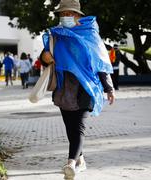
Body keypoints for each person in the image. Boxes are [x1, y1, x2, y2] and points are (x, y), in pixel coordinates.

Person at [40, 0, 115, 179]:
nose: (65, 17)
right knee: (69, 127)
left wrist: (109, 88)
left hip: (86, 87)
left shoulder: (90, 34)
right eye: (62, 14)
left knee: (78, 127)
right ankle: (80, 159)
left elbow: (101, 62)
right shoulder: (56, 35)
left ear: (78, 15)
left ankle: (71, 164)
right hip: (63, 87)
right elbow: (44, 56)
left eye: (69, 13)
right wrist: (45, 57)